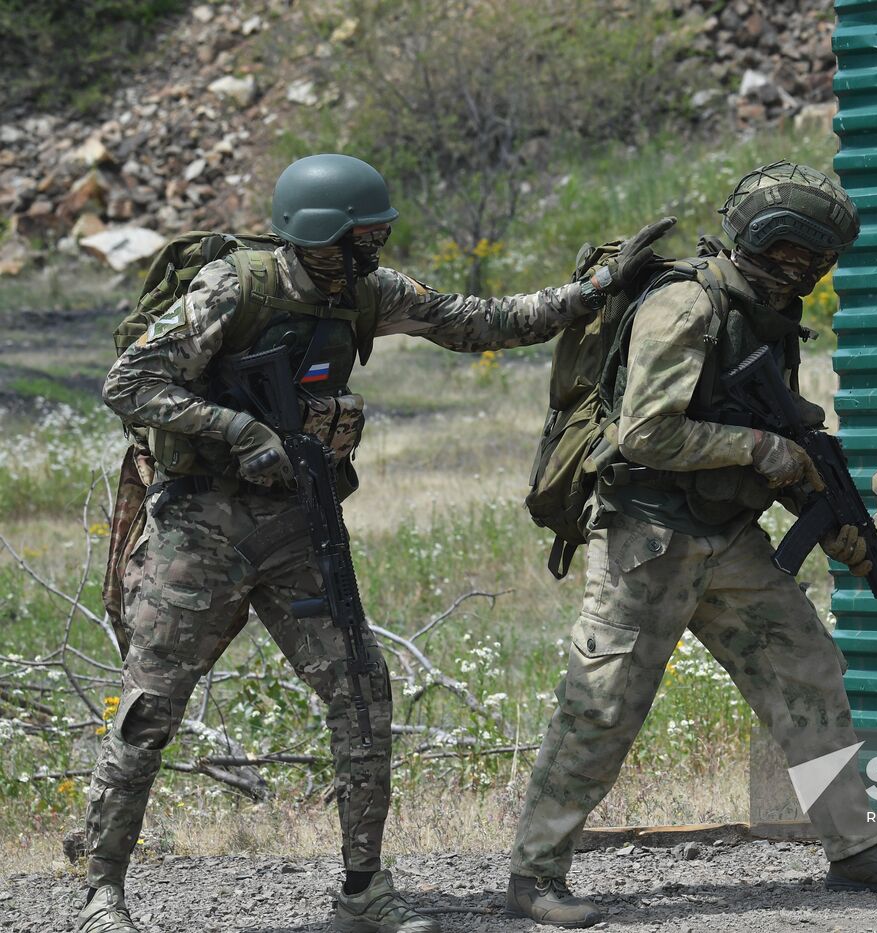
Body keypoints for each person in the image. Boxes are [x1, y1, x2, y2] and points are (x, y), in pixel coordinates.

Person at [80, 153, 672, 933]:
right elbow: (129, 381)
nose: (374, 251)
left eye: (378, 235)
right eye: (361, 237)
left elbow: (479, 321)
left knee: (362, 696)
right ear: (320, 235)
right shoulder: (236, 288)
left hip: (301, 522)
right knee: (151, 708)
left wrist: (595, 291)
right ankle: (101, 894)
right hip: (201, 526)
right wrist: (235, 428)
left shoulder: (364, 293)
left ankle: (364, 890)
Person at [505, 161, 877, 928]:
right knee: (602, 704)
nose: (807, 272)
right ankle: (535, 875)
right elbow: (644, 432)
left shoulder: (764, 316)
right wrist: (760, 451)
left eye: (817, 261)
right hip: (648, 536)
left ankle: (856, 847)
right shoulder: (687, 306)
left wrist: (840, 529)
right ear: (767, 242)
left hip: (728, 536)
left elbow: (773, 436)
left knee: (808, 668)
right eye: (798, 256)